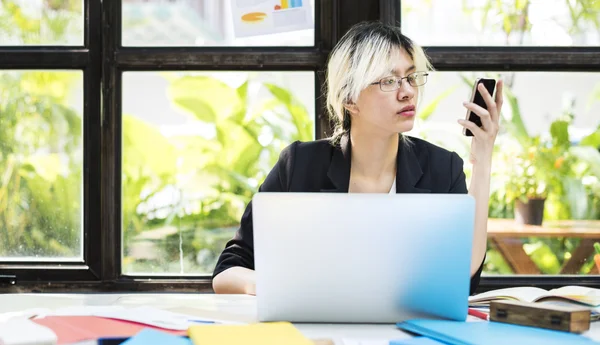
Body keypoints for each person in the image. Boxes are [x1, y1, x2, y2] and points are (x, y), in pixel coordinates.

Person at [212, 20, 503, 296]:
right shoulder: (300, 164)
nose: (407, 92)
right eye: (389, 80)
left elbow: (463, 276)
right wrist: (289, 287)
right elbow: (228, 271)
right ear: (350, 99)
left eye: (412, 77)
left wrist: (482, 158)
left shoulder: (442, 167)